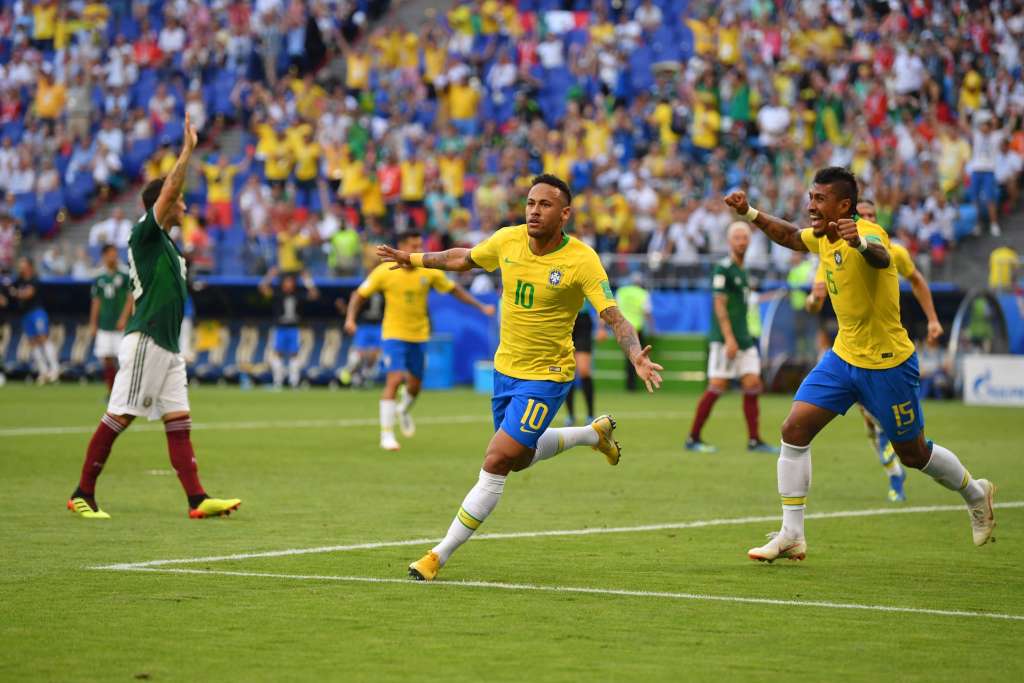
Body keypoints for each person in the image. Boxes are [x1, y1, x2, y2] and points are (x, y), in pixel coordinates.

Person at [376, 174, 663, 581]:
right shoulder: (507, 240)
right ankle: (591, 435)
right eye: (530, 203)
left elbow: (613, 316)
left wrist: (634, 354)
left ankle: (438, 555)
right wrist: (414, 258)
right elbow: (463, 258)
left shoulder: (582, 259)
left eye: (545, 204)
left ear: (565, 214)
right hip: (505, 370)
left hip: (547, 376)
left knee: (496, 459)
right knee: (519, 459)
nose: (534, 211)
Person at [723, 167, 995, 562]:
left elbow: (879, 256)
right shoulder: (822, 237)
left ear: (844, 205)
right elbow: (789, 236)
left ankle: (975, 492)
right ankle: (792, 534)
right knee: (794, 430)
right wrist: (750, 212)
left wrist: (861, 244)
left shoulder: (869, 234)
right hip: (843, 358)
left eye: (819, 199)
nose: (811, 205)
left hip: (888, 365)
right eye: (811, 197)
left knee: (913, 454)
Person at [67, 114, 241, 520]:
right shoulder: (144, 234)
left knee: (178, 420)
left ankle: (197, 499)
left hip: (167, 346)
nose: (184, 205)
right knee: (120, 415)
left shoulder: (168, 247)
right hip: (146, 338)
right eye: (177, 200)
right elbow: (171, 189)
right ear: (163, 202)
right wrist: (188, 150)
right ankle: (82, 493)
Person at [806, 198, 945, 503]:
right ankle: (895, 474)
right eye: (863, 215)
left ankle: (899, 473)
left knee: (891, 431)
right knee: (872, 424)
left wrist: (933, 319)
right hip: (852, 353)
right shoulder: (831, 249)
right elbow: (813, 304)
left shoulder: (892, 251)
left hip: (889, 352)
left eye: (871, 215)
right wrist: (814, 299)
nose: (866, 219)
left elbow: (917, 281)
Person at [345, 230, 495, 451]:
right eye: (413, 246)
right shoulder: (384, 271)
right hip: (394, 334)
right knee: (395, 380)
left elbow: (454, 290)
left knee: (415, 387)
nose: (418, 250)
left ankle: (403, 409)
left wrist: (481, 307)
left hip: (419, 335)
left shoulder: (428, 270)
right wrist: (350, 318)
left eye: (419, 245)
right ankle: (387, 435)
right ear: (402, 247)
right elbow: (359, 295)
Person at [686, 222, 777, 454]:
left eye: (744, 237)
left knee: (752, 383)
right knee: (717, 385)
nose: (741, 241)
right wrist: (728, 338)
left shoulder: (743, 270)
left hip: (744, 338)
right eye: (737, 237)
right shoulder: (723, 268)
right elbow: (719, 304)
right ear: (729, 241)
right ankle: (693, 438)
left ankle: (754, 440)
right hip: (725, 339)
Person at [259, 267, 319, 389]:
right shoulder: (277, 293)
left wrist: (307, 280)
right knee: (277, 354)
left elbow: (314, 294)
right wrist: (269, 276)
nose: (289, 284)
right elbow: (262, 289)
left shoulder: (298, 294)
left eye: (291, 282)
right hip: (280, 328)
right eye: (287, 282)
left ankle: (294, 382)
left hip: (294, 329)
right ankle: (278, 382)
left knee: (294, 355)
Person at [8, 257, 60, 383]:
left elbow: (28, 293)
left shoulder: (35, 279)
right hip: (25, 314)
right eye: (20, 265)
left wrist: (16, 293)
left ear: (29, 267)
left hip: (37, 313)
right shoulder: (19, 280)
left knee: (43, 338)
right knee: (33, 342)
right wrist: (14, 291)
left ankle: (55, 369)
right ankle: (43, 371)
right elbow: (10, 289)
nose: (21, 267)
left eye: (23, 265)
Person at [89, 244, 133, 394]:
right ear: (104, 256)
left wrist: (124, 318)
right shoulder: (99, 276)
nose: (113, 257)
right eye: (110, 254)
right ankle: (112, 392)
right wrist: (93, 323)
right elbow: (96, 301)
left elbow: (130, 298)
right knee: (106, 358)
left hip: (120, 325)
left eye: (115, 254)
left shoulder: (125, 274)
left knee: (124, 359)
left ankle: (125, 392)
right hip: (104, 324)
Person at [612, 272, 654, 391]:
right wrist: (652, 329)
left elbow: (614, 309)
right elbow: (647, 313)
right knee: (638, 357)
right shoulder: (643, 294)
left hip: (623, 329)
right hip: (637, 329)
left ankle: (630, 385)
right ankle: (634, 385)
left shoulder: (622, 291)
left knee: (629, 358)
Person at [564, 304, 595, 425]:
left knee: (584, 370)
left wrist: (602, 326)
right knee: (567, 371)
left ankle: (590, 414)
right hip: (564, 319)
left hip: (582, 320)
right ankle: (570, 414)